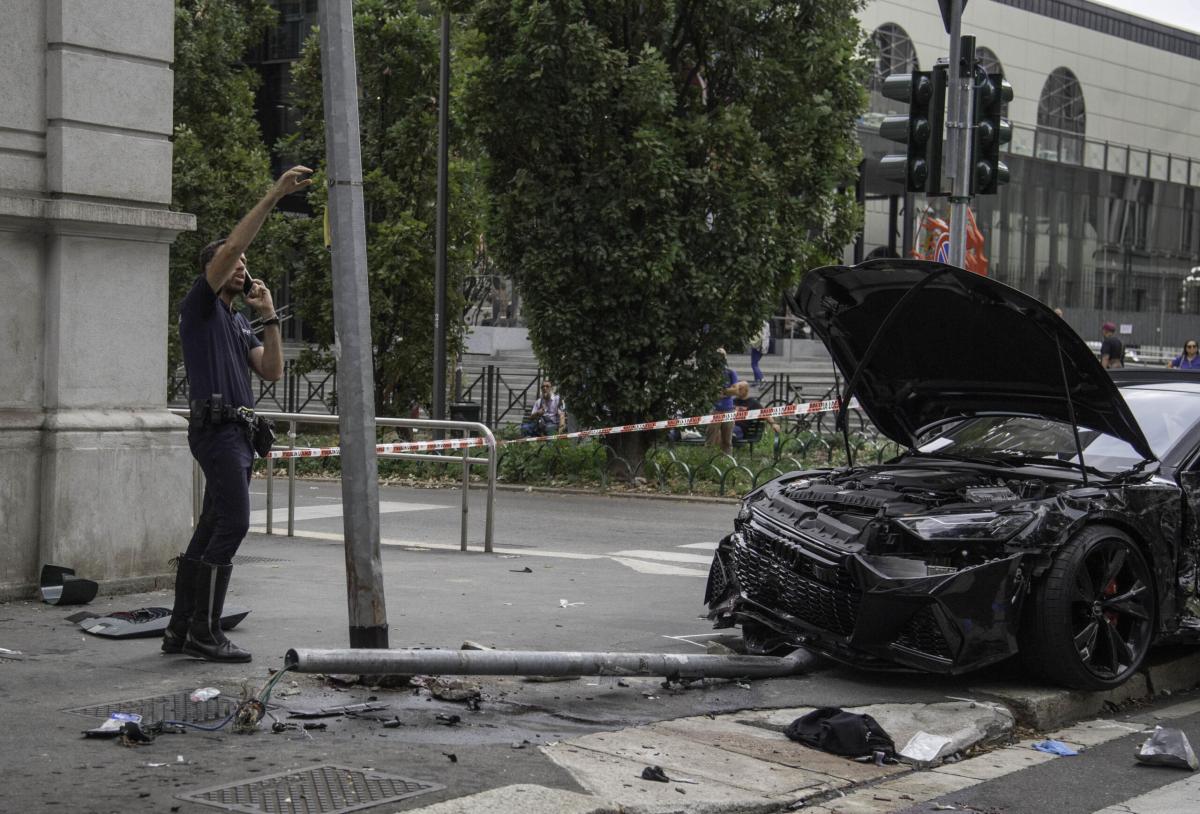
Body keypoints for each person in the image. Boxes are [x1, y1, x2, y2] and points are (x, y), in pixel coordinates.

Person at [162, 166, 313, 663]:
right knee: (235, 526)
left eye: (247, 262)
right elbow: (227, 250)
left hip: (237, 434)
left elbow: (270, 370)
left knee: (211, 528)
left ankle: (183, 630)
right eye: (236, 261)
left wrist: (268, 313)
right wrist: (273, 195)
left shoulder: (235, 319)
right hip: (216, 432)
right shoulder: (200, 308)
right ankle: (206, 634)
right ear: (215, 270)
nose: (243, 266)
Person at [706, 349, 739, 455]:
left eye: (723, 356)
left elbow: (735, 390)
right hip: (715, 410)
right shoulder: (711, 373)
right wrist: (726, 391)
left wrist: (721, 391)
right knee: (710, 440)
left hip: (729, 410)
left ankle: (727, 462)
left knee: (727, 441)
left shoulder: (730, 373)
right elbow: (709, 390)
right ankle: (708, 461)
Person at [749, 319, 770, 384]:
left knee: (754, 364)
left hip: (758, 346)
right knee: (755, 363)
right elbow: (767, 335)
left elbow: (761, 336)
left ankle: (762, 379)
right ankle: (756, 381)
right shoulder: (767, 323)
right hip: (763, 346)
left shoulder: (759, 323)